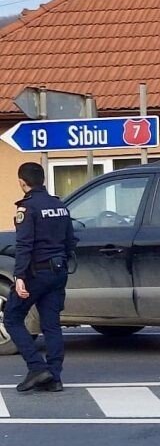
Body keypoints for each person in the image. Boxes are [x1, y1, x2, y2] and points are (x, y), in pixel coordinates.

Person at [4, 162, 77, 392]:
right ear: (43, 180)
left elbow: (24, 245)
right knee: (51, 324)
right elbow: (70, 240)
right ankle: (54, 377)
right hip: (58, 271)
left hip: (36, 273)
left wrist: (19, 276)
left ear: (22, 182)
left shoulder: (27, 208)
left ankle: (37, 367)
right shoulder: (59, 205)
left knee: (12, 317)